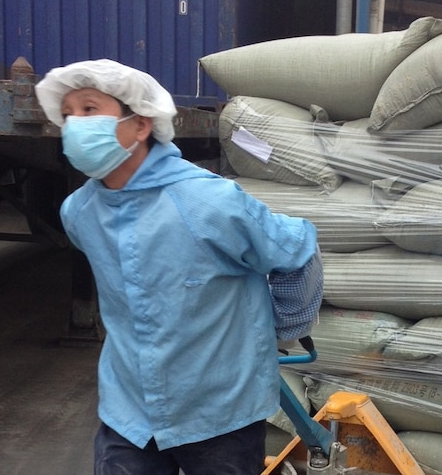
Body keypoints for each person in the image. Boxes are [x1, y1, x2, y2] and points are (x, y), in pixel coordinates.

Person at [34, 59, 323, 474]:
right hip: (129, 411)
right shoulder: (79, 211)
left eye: (90, 109)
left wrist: (276, 331)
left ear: (141, 125)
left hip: (219, 411)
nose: (75, 125)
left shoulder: (206, 201)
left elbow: (298, 252)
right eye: (67, 115)